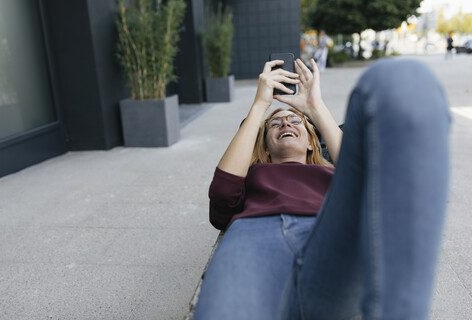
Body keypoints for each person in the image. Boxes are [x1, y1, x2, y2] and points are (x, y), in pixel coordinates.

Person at [193, 57, 450, 320]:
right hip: (254, 244)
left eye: (295, 120)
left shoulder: (335, 172)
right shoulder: (253, 174)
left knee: (407, 78)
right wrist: (260, 106)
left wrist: (315, 107)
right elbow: (223, 197)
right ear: (266, 148)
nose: (285, 123)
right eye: (275, 123)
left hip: (329, 236)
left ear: (311, 144)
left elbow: (375, 185)